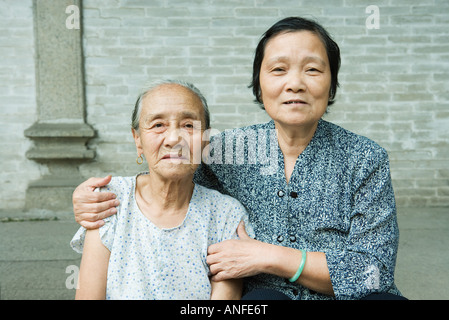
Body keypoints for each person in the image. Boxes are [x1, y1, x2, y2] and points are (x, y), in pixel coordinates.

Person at [72, 17, 405, 300]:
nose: (294, 84)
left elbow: (372, 270)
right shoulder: (225, 151)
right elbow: (169, 176)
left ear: (331, 83)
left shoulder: (364, 157)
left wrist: (269, 256)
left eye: (313, 70)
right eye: (278, 70)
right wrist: (92, 197)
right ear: (259, 85)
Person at [70, 80, 253, 300]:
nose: (174, 139)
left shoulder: (226, 214)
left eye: (189, 125)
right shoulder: (110, 200)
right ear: (138, 140)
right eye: (158, 125)